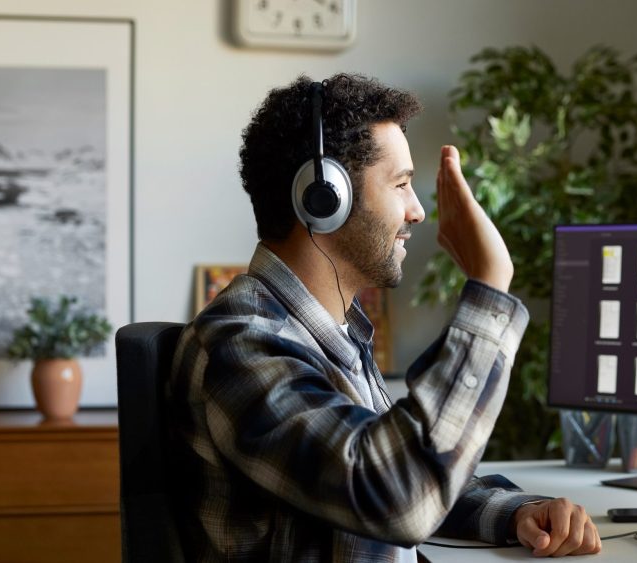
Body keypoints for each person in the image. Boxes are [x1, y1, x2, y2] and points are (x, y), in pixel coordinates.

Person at [166, 74, 601, 561]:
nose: (417, 211)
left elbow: (404, 466)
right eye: (401, 184)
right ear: (324, 197)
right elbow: (395, 496)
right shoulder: (242, 344)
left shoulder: (334, 332)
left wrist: (516, 513)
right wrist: (490, 284)